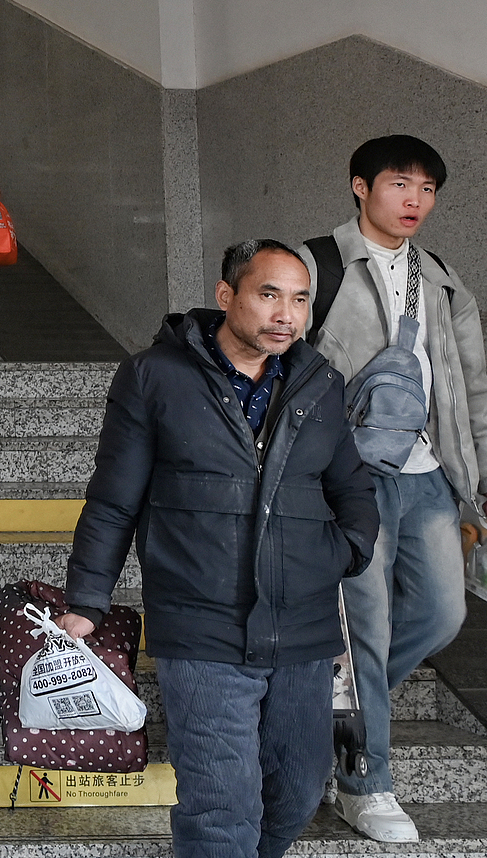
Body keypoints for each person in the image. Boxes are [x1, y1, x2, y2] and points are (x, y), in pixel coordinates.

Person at [61, 239, 379, 858]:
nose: (286, 314)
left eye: (299, 299)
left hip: (302, 626)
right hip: (201, 624)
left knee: (297, 788)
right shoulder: (154, 376)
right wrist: (87, 599)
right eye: (268, 295)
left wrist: (342, 553)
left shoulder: (321, 383)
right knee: (219, 805)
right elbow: (113, 501)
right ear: (226, 296)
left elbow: (352, 489)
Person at [297, 136, 487, 843]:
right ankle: (366, 780)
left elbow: (471, 386)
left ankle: (327, 716)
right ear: (360, 186)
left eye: (426, 189)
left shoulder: (444, 276)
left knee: (441, 615)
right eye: (400, 184)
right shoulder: (317, 265)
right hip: (350, 477)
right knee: (367, 625)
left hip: (429, 477)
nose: (414, 200)